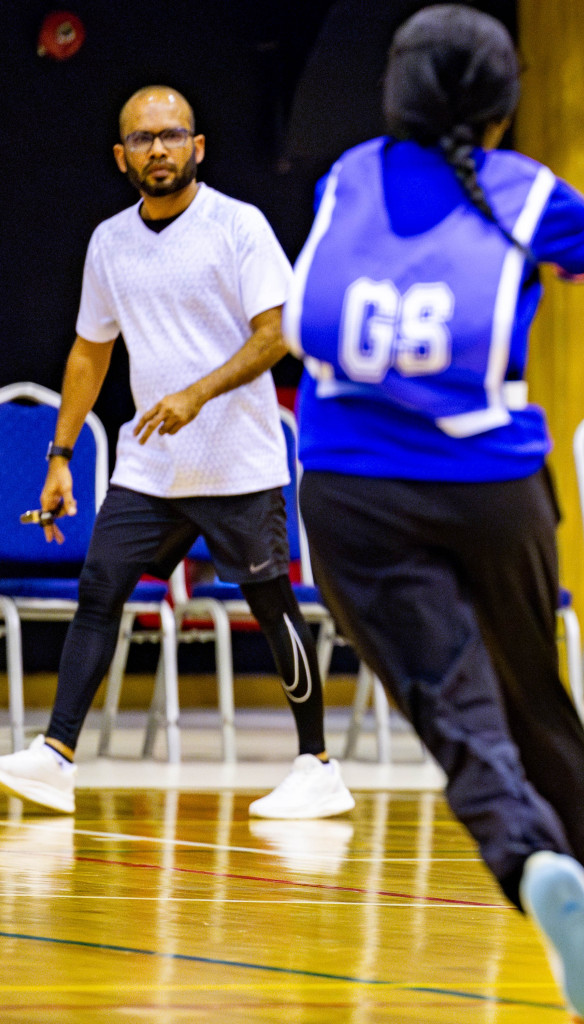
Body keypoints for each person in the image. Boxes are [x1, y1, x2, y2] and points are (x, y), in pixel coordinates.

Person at [283, 8, 584, 1024]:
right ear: (506, 103)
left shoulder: (349, 178)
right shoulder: (525, 191)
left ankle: (535, 859)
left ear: (396, 93)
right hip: (493, 487)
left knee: (458, 713)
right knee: (537, 703)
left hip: (350, 491)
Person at [0, 85, 353, 821]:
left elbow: (275, 332)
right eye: (141, 138)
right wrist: (61, 456)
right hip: (151, 464)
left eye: (170, 135)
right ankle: (57, 756)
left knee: (270, 602)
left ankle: (317, 766)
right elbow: (90, 354)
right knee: (100, 585)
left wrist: (197, 393)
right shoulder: (109, 241)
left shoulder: (239, 227)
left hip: (237, 460)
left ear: (197, 147)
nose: (156, 149)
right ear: (121, 155)